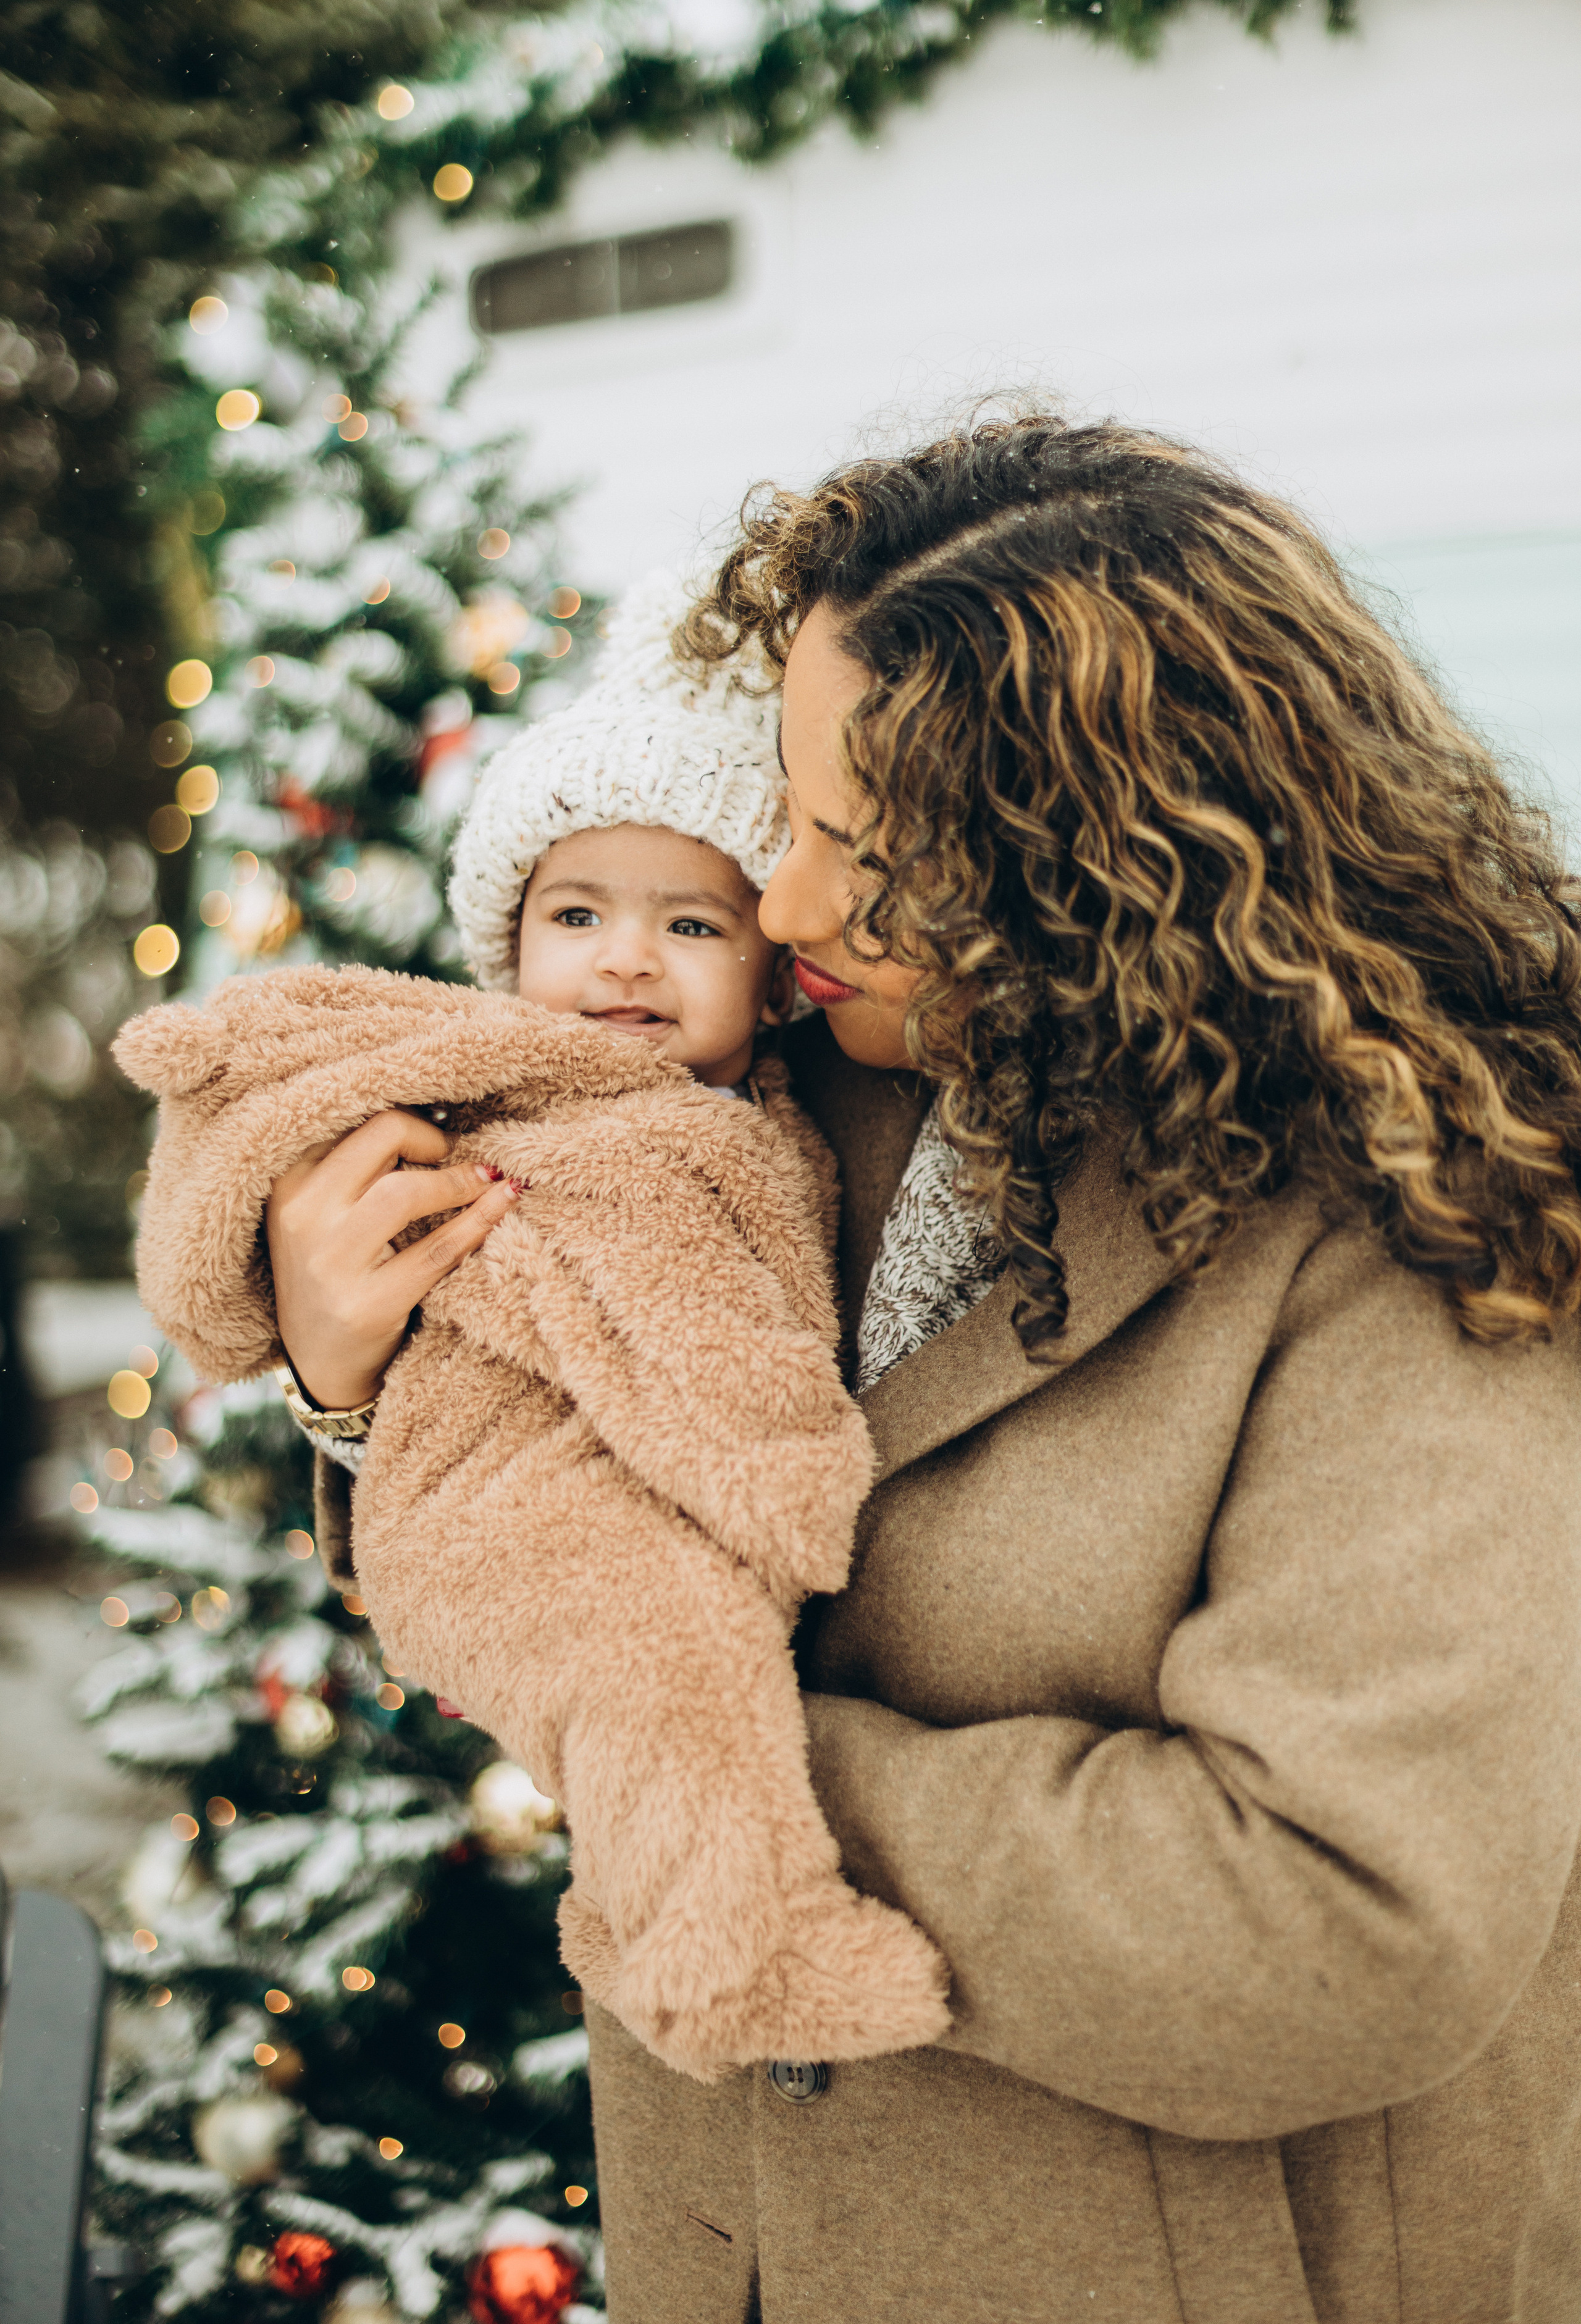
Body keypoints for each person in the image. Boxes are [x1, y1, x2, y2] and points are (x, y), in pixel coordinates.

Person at [270, 419, 1581, 2324]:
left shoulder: (1427, 1234)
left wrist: (697, 1749)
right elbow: (536, 1467)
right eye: (788, 819)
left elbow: (1343, 1922)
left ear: (1099, 868)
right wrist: (352, 1381)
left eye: (864, 853)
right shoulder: (780, 1082)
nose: (784, 906)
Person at [117, 569, 949, 2083]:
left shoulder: (800, 1104)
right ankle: (735, 1965)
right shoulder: (506, 1093)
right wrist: (774, 1471)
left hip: (608, 1497)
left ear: (771, 974)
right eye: (576, 916)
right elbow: (292, 1102)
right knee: (673, 1661)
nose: (624, 960)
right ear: (508, 947)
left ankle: (689, 1941)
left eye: (688, 922)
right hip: (501, 1496)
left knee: (673, 1688)